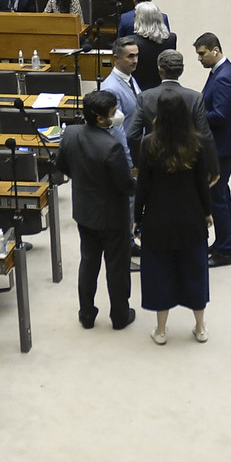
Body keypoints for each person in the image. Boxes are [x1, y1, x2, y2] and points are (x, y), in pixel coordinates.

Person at [136, 94, 217, 345]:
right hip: (191, 218)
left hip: (157, 220)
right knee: (194, 270)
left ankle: (161, 330)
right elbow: (202, 184)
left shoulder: (148, 143)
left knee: (160, 272)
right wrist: (207, 212)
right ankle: (200, 327)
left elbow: (143, 187)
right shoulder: (198, 143)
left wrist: (137, 217)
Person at [59, 90, 135, 329]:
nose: (117, 116)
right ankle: (120, 316)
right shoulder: (112, 147)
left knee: (88, 263)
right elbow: (126, 186)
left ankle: (87, 315)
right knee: (117, 268)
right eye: (113, 113)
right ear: (101, 119)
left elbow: (62, 166)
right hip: (113, 218)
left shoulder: (70, 133)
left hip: (85, 212)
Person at [194, 33, 231, 265]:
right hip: (220, 145)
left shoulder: (225, 78)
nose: (199, 58)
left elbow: (221, 115)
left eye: (202, 53)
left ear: (215, 50)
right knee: (221, 194)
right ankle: (223, 241)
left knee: (217, 197)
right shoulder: (219, 72)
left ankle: (225, 250)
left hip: (220, 147)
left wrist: (194, 115)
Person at [126, 50, 212, 161]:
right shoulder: (195, 98)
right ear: (181, 70)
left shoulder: (144, 97)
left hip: (154, 163)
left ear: (159, 70)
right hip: (187, 162)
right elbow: (204, 135)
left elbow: (132, 135)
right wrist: (211, 166)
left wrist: (139, 162)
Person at [99, 37, 143, 128]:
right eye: (131, 56)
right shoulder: (110, 89)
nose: (135, 61)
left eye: (136, 55)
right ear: (117, 58)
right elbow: (116, 128)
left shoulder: (130, 78)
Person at [130, 3, 176, 89]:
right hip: (164, 87)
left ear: (139, 19)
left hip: (140, 87)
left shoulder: (133, 41)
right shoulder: (171, 39)